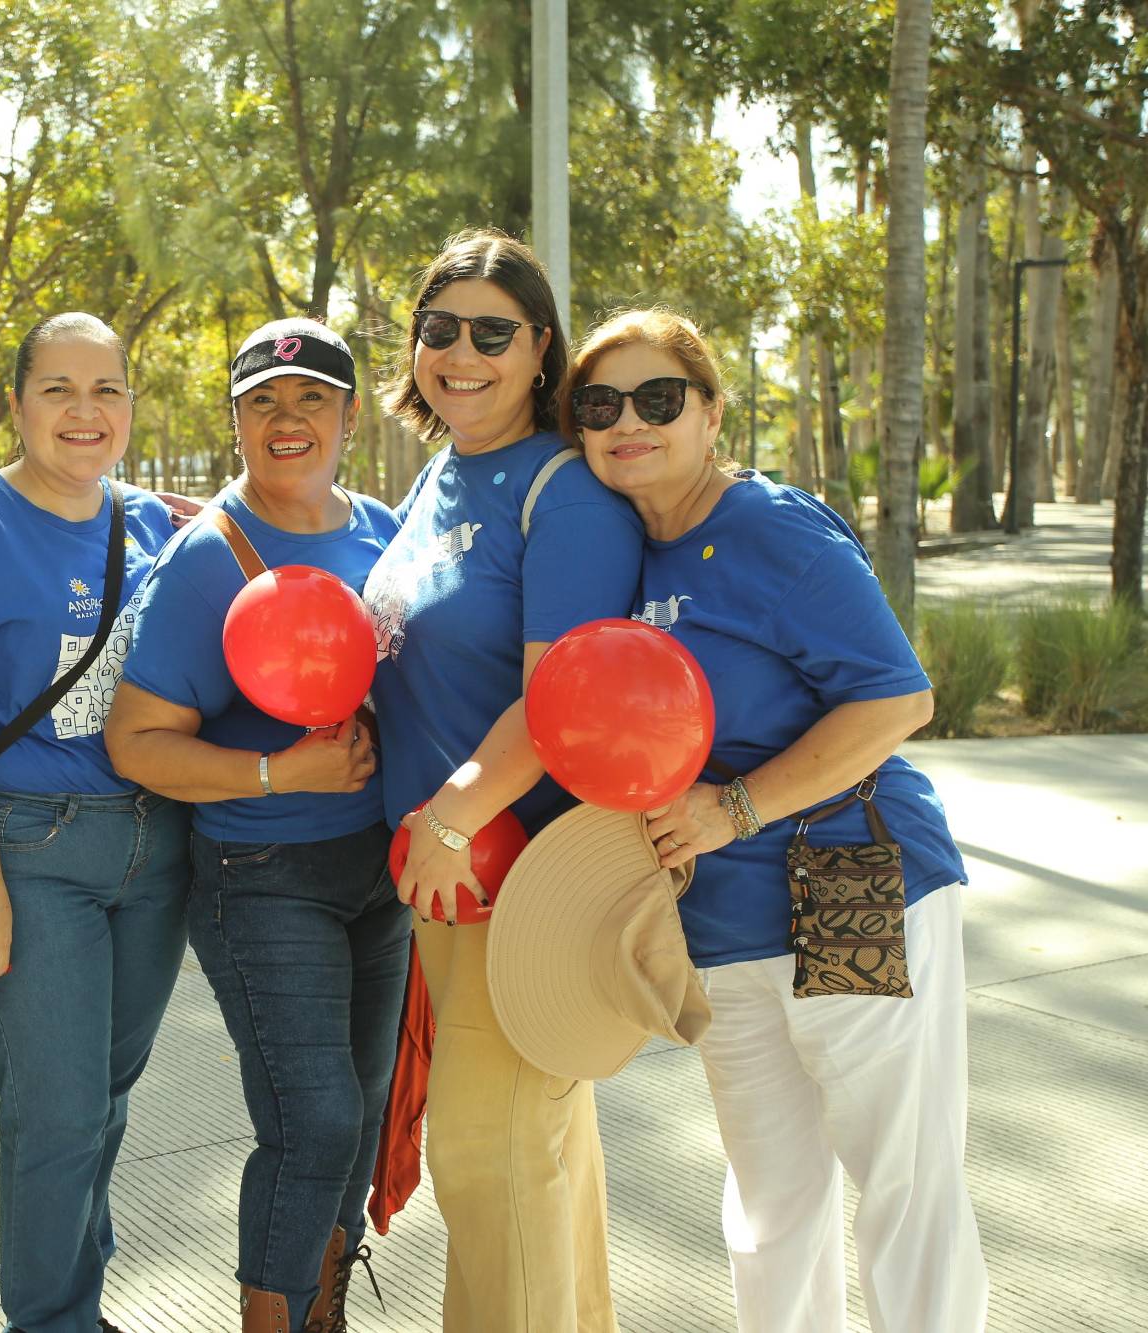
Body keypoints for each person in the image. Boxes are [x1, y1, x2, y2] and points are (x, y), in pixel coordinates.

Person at [564, 307, 987, 1333]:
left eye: (658, 398)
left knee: (900, 1180)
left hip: (849, 880)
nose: (629, 421)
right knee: (769, 1200)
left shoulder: (769, 526)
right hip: (724, 919)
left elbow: (894, 701)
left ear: (710, 412)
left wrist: (734, 805)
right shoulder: (624, 550)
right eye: (599, 403)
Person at [360, 228, 645, 1333]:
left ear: (540, 351)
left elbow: (563, 697)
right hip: (446, 875)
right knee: (536, 1150)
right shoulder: (441, 473)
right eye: (439, 330)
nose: (460, 353)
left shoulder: (560, 491)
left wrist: (451, 815)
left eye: (492, 331)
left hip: (521, 872)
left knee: (492, 1154)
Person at [105, 318, 404, 1333]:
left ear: (347, 415)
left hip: (380, 872)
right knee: (310, 1121)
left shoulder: (381, 531)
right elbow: (136, 740)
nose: (287, 419)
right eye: (262, 402)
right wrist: (280, 767)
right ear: (234, 418)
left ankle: (320, 1315)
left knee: (357, 1120)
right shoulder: (206, 559)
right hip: (262, 873)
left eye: (310, 397)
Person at [0, 313, 185, 1333]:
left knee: (105, 1095)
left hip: (152, 847)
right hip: (25, 847)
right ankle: (50, 1320)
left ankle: (77, 1303)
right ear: (17, 402)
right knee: (55, 1112)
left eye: (105, 389)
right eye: (57, 388)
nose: (83, 410)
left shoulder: (151, 525)